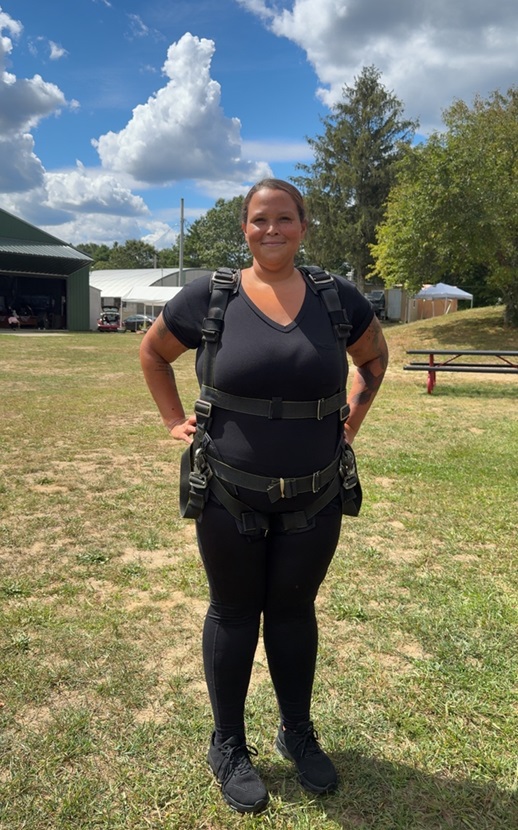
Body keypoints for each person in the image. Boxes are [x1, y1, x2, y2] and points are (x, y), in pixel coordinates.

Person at [140, 179, 388, 814]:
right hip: (227, 492)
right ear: (244, 228)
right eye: (258, 220)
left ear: (304, 226)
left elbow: (375, 359)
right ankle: (227, 744)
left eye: (284, 219)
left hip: (317, 494)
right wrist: (174, 420)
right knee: (232, 612)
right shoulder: (211, 296)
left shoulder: (336, 299)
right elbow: (153, 353)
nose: (271, 230)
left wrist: (351, 421)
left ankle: (296, 733)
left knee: (292, 610)